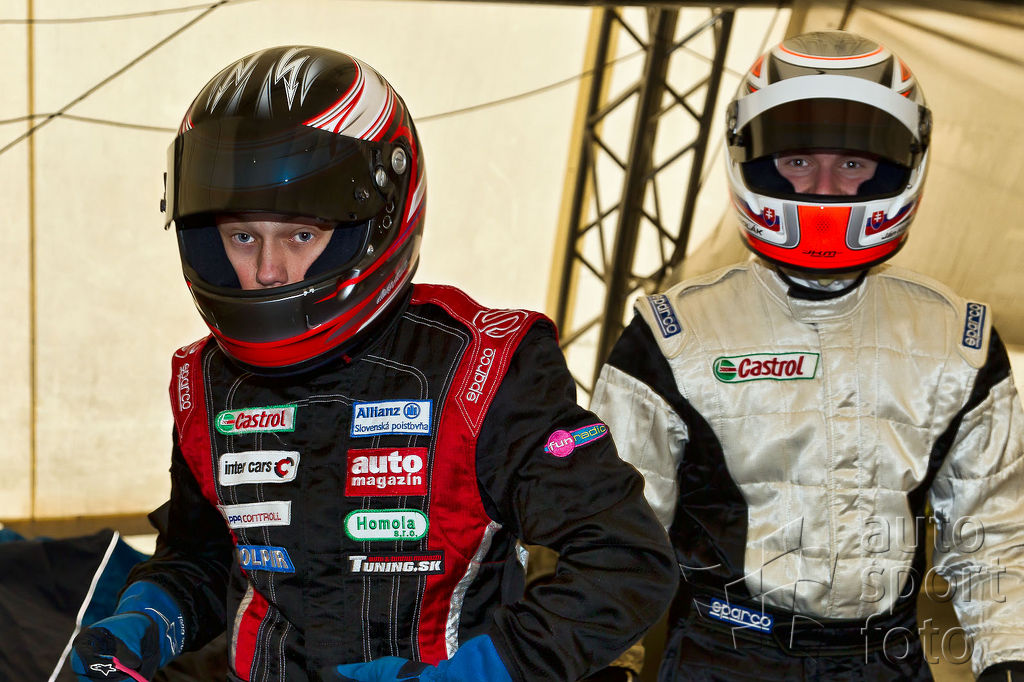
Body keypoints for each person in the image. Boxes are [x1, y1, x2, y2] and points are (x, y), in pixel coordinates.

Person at [69, 46, 676, 682]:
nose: (268, 271)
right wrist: (145, 619)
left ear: (377, 221)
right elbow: (202, 555)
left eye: (301, 235)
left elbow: (626, 561)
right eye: (242, 237)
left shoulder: (484, 370)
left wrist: (475, 674)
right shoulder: (206, 382)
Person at [590, 30, 1024, 681]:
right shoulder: (675, 333)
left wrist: (1009, 657)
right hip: (722, 656)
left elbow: (996, 535)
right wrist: (603, 663)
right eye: (797, 160)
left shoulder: (955, 339)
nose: (823, 187)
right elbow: (613, 531)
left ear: (900, 165)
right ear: (755, 160)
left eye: (852, 163)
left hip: (884, 659)